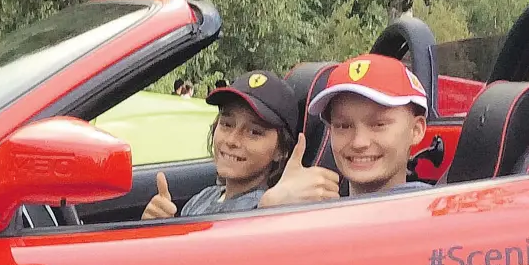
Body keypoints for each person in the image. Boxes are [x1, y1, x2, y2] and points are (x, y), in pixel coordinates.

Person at [259, 53, 431, 207]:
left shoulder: (436, 213)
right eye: (343, 126)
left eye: (378, 125)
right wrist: (272, 210)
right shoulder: (316, 216)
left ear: (416, 130)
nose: (359, 142)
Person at [141, 71, 298, 219]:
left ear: (281, 150)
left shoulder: (264, 212)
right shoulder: (204, 197)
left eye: (254, 132)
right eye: (227, 124)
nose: (231, 140)